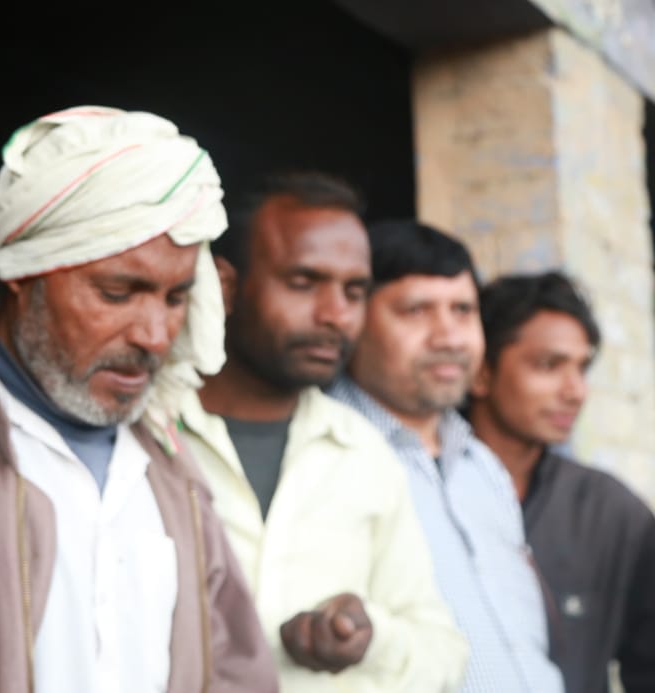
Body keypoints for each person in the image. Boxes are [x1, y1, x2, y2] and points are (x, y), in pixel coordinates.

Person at [0, 105, 278, 692]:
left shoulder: (170, 459)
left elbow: (233, 669)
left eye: (176, 299)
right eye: (118, 292)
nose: (155, 334)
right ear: (24, 271)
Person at [181, 173, 467, 691]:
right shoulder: (147, 436)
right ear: (225, 286)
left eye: (354, 291)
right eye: (303, 282)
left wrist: (367, 635)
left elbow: (442, 651)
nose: (336, 315)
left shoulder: (364, 453)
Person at [328, 221, 562, 693]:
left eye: (462, 310)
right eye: (416, 311)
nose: (449, 337)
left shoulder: (482, 466)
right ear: (354, 319)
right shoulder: (325, 453)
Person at [467, 271, 655, 693]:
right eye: (548, 365)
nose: (576, 391)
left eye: (582, 367)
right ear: (480, 372)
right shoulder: (422, 495)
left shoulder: (612, 512)